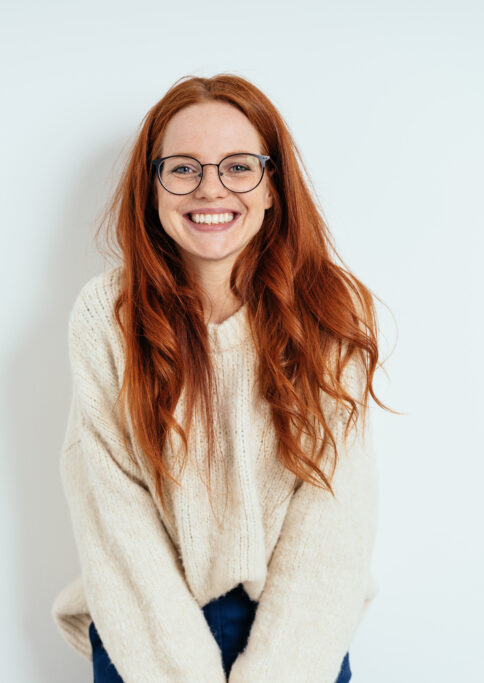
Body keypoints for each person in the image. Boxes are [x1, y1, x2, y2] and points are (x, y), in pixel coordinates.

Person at [50, 73, 394, 683]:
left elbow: (333, 531)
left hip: (298, 640)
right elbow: (115, 521)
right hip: (147, 636)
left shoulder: (333, 312)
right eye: (183, 168)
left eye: (239, 167)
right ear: (151, 187)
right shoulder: (107, 317)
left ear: (273, 188)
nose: (210, 189)